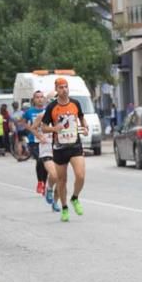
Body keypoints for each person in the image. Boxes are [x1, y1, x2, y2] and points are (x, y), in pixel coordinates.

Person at [33, 77, 88, 222]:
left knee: (81, 176)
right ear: (57, 90)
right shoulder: (51, 107)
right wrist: (54, 128)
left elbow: (82, 118)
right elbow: (43, 128)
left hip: (75, 145)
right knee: (62, 180)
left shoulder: (76, 103)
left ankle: (75, 197)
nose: (64, 90)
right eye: (61, 87)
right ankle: (64, 208)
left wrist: (85, 127)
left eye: (66, 87)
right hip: (59, 148)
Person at [23, 91, 49, 195]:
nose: (39, 99)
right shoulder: (29, 112)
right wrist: (30, 128)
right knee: (40, 160)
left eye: (41, 97)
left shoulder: (48, 110)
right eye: (37, 97)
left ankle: (44, 185)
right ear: (34, 99)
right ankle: (40, 182)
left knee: (46, 162)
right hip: (34, 140)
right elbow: (23, 122)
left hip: (45, 140)